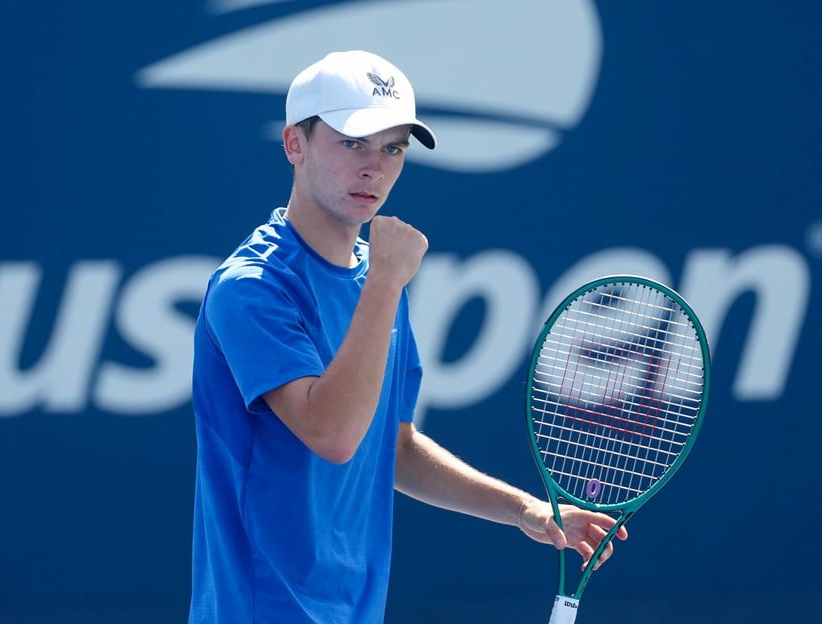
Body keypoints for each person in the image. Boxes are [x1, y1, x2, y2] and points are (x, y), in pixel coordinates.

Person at [188, 50, 628, 623]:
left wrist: (526, 511)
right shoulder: (250, 288)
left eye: (393, 148)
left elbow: (391, 447)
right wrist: (387, 282)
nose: (375, 167)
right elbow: (336, 434)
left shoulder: (378, 280)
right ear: (295, 144)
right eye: (353, 143)